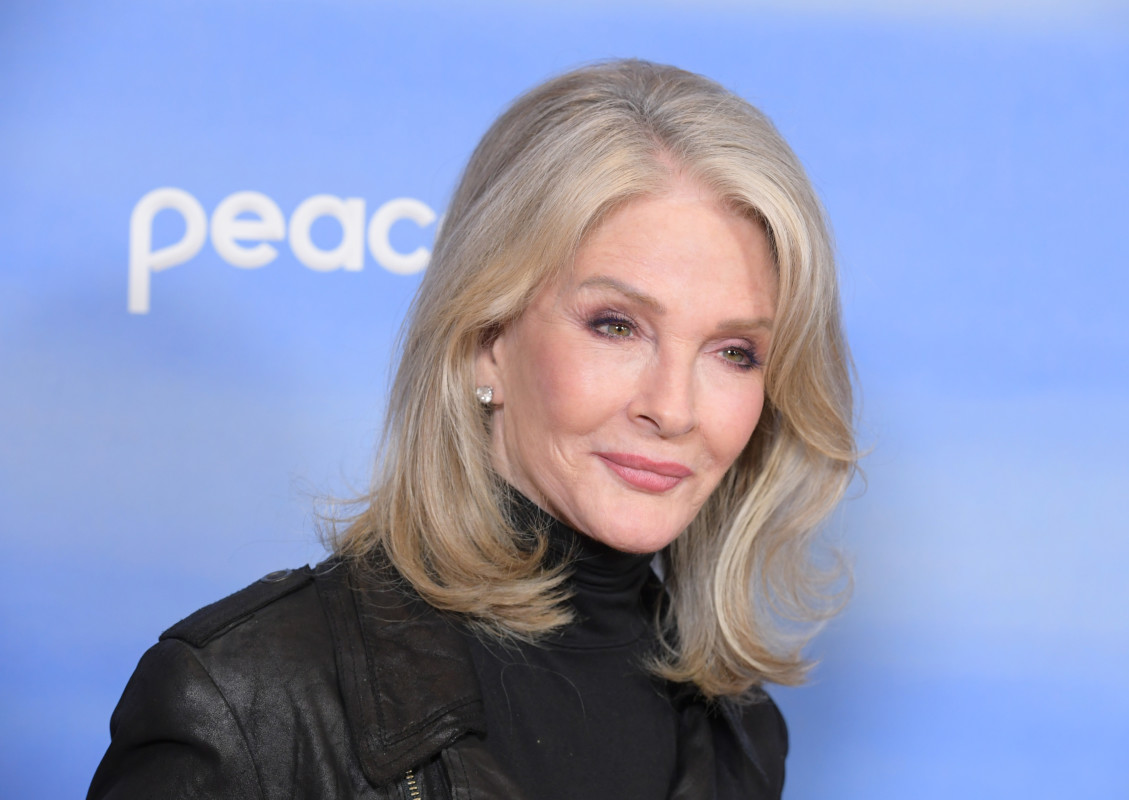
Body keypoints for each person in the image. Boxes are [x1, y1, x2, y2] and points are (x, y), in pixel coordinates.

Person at [88, 59, 856, 800]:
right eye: (616, 325)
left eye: (734, 352)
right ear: (488, 339)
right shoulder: (243, 701)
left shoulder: (741, 735)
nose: (674, 407)